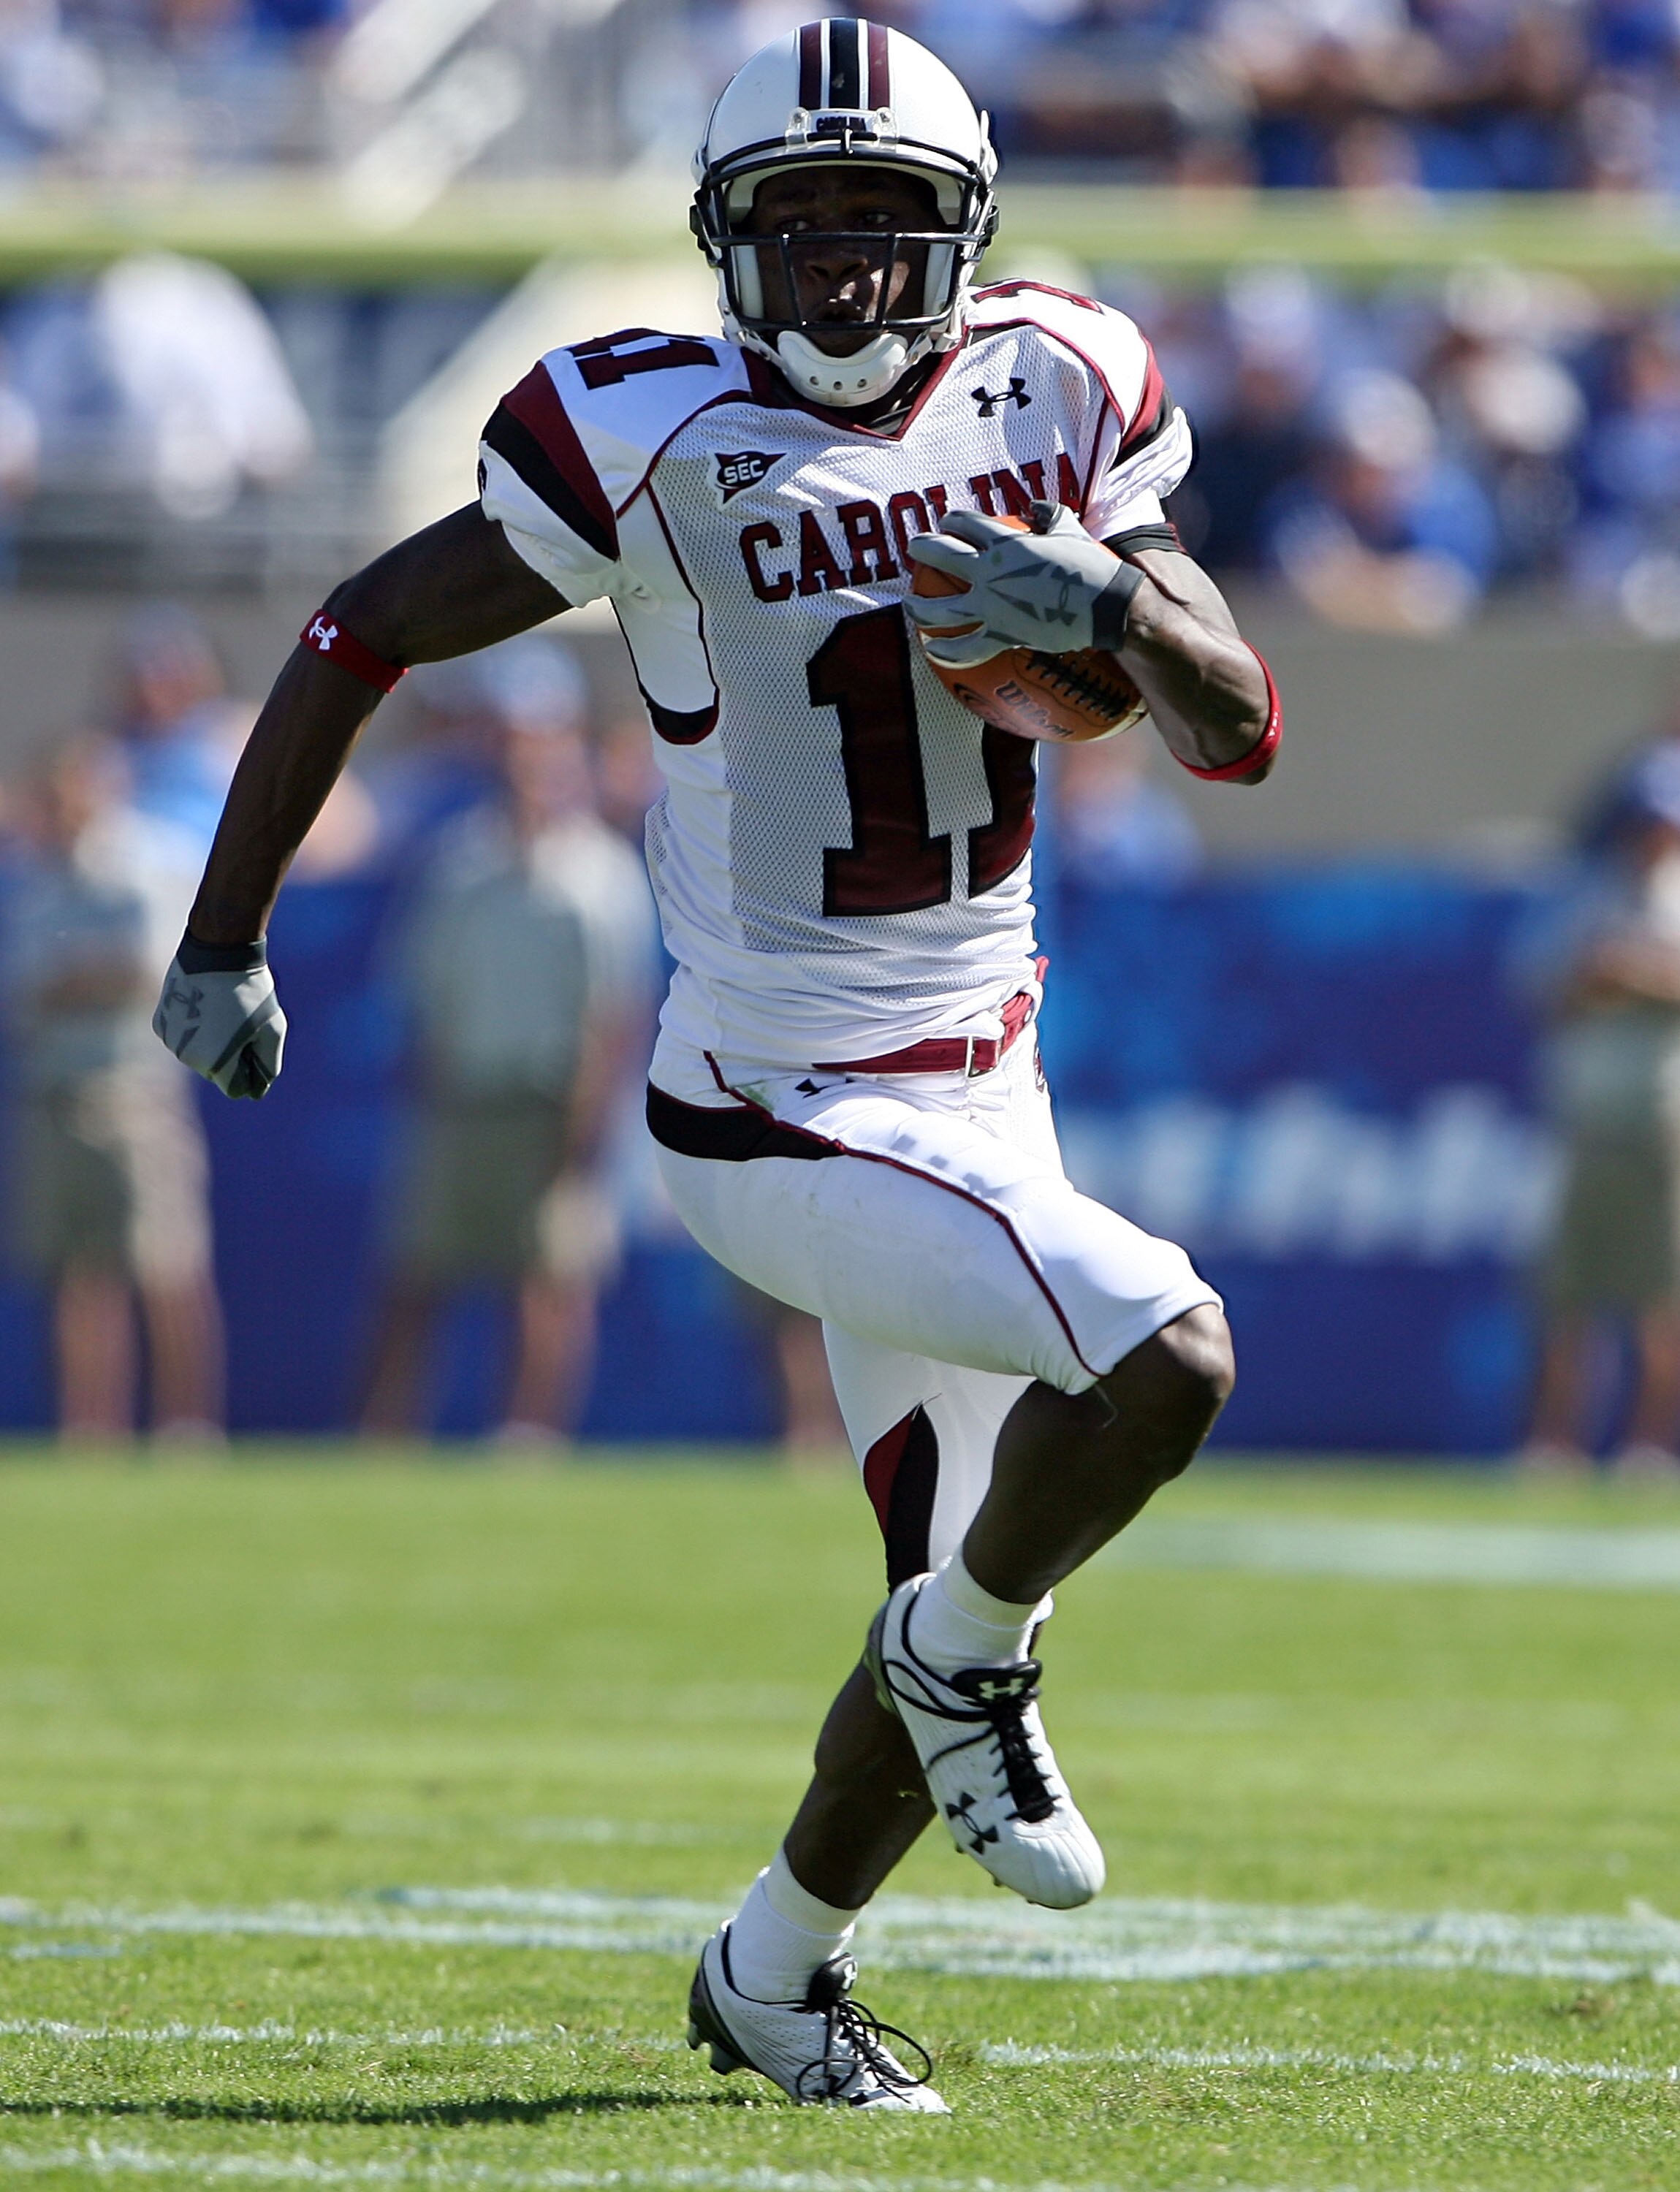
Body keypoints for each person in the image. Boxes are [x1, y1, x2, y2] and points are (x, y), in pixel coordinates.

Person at [154, 18, 1277, 2111]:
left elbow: (1237, 726)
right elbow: (353, 631)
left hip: (982, 1080)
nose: (842, 268)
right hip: (771, 1106)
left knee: (954, 1574)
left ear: (959, 243)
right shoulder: (643, 432)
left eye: (882, 225)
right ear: (722, 241)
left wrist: (1112, 602)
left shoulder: (1061, 382)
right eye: (798, 223)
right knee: (1168, 1358)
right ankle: (965, 1663)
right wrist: (220, 933)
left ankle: (771, 1970)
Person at [359, 636, 655, 1446]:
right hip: (462, 1097)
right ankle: (384, 1435)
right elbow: (423, 995)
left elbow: (615, 1016)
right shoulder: (456, 863)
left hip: (553, 1104)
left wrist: (586, 1125)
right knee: (417, 1278)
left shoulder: (601, 876)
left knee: (548, 1282)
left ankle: (529, 1436)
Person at [8, 732, 224, 1442]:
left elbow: (145, 971)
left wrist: (69, 983)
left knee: (166, 1266)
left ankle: (185, 1424)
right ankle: (90, 1428)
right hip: (58, 1092)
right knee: (78, 1272)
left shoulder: (142, 865)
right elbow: (24, 992)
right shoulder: (37, 878)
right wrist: (71, 983)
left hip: (132, 1089)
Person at [1519, 739, 1680, 1475]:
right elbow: (1540, 983)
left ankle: (1648, 1446)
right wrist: (1595, 976)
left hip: (1664, 1117)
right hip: (1588, 1115)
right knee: (1569, 1293)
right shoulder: (1588, 893)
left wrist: (1636, 975)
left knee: (1660, 1291)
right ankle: (1557, 1444)